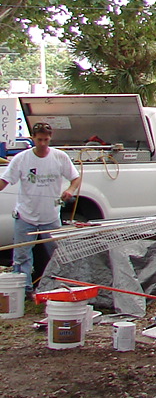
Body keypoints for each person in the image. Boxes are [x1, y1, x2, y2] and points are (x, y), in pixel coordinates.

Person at [0, 121, 81, 293]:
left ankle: (56, 287)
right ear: (33, 139)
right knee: (22, 256)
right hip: (25, 216)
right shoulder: (21, 159)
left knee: (56, 255)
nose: (43, 144)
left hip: (50, 216)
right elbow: (5, 181)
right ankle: (24, 290)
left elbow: (75, 178)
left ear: (50, 138)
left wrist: (70, 190)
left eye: (46, 140)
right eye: (39, 140)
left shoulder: (60, 157)